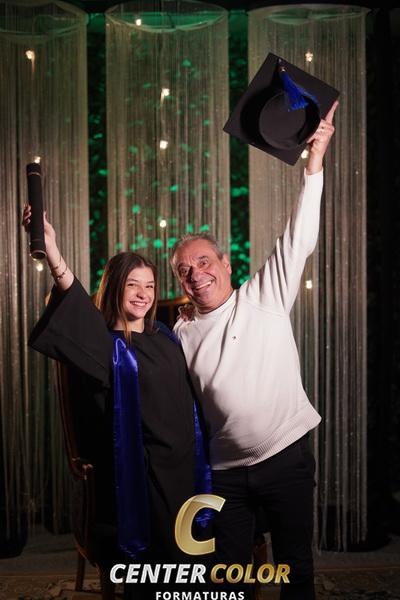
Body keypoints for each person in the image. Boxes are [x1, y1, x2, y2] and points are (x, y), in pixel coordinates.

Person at [170, 100, 339, 600]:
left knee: (294, 570)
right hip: (224, 475)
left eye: (204, 261)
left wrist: (314, 160)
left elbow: (299, 237)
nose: (196, 273)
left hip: (285, 457)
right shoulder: (180, 331)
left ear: (226, 263)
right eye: (184, 270)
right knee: (231, 578)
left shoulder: (264, 294)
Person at [23, 207, 210, 598]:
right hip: (146, 477)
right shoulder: (107, 347)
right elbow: (72, 298)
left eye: (150, 286)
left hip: (186, 469)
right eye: (132, 285)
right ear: (114, 289)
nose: (143, 294)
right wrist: (53, 251)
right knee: (157, 574)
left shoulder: (165, 334)